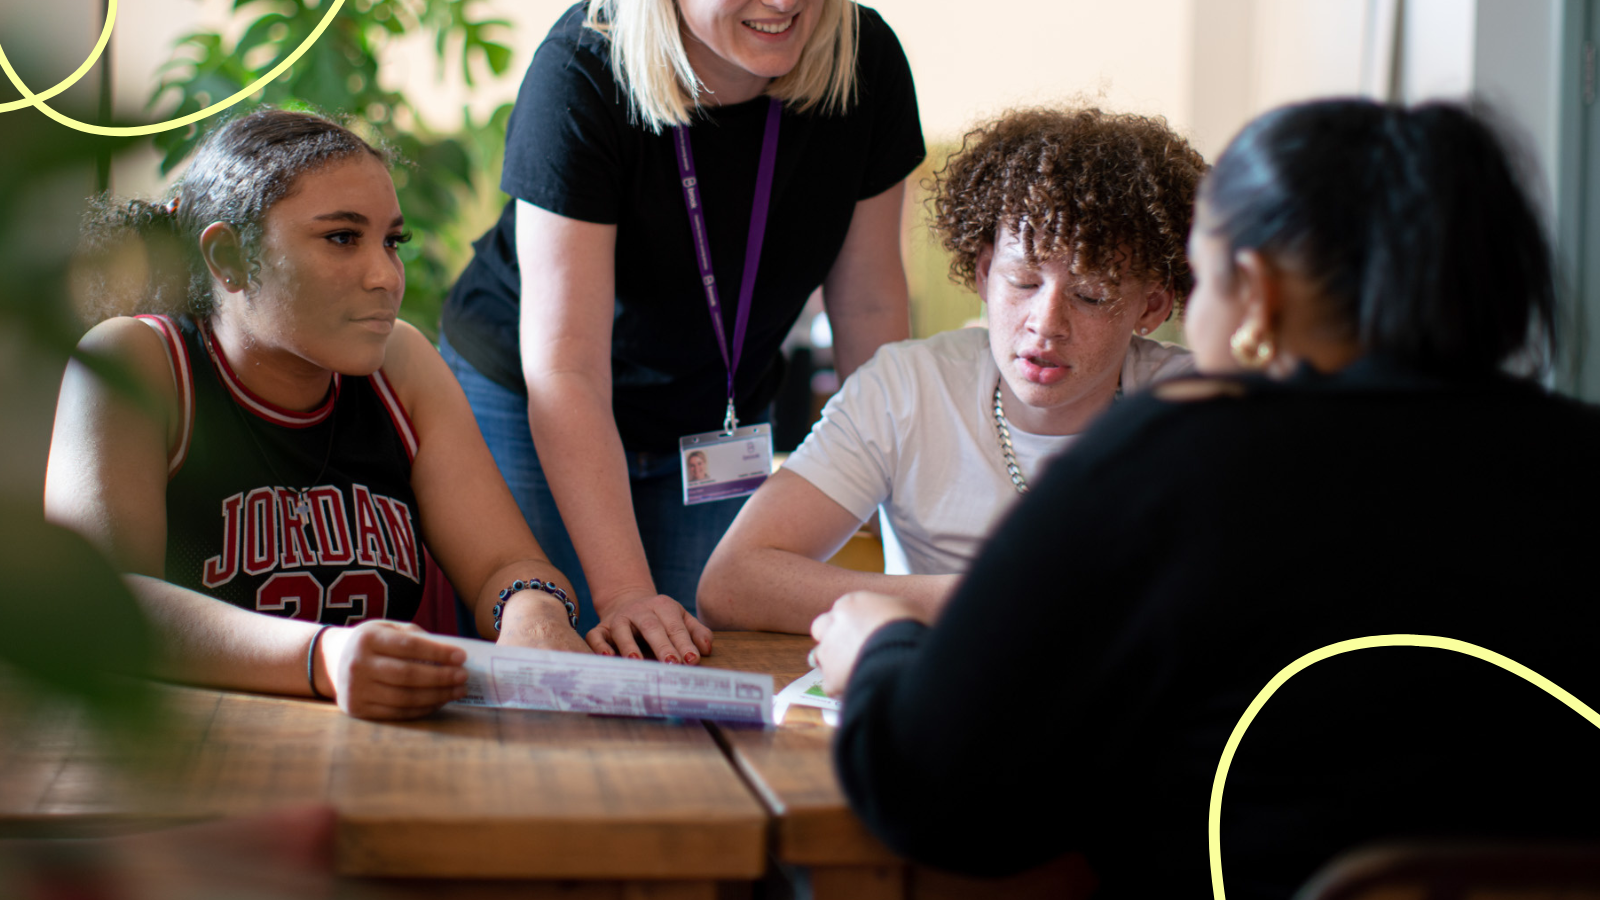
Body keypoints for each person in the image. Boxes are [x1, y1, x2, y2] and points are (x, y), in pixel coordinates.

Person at [810, 99, 1600, 898]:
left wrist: (881, 648)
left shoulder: (1171, 461)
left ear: (1253, 291)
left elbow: (934, 794)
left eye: (1200, 267)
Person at [46, 109, 591, 722]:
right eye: (341, 238)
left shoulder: (401, 366)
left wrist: (532, 612)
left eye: (393, 241)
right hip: (185, 763)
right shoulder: (137, 362)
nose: (387, 276)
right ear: (228, 256)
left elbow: (504, 563)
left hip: (379, 756)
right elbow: (97, 605)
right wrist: (323, 659)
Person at [437, 0, 925, 664]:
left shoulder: (864, 61)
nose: (783, 4)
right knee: (558, 671)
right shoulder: (581, 70)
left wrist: (907, 531)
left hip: (716, 412)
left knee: (700, 666)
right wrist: (625, 594)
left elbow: (868, 305)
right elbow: (565, 367)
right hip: (532, 397)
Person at [697, 108, 1201, 633]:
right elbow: (731, 583)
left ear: (1151, 308)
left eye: (1091, 296)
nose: (1046, 325)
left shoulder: (1199, 409)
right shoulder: (906, 388)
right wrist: (994, 597)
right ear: (984, 274)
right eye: (1024, 282)